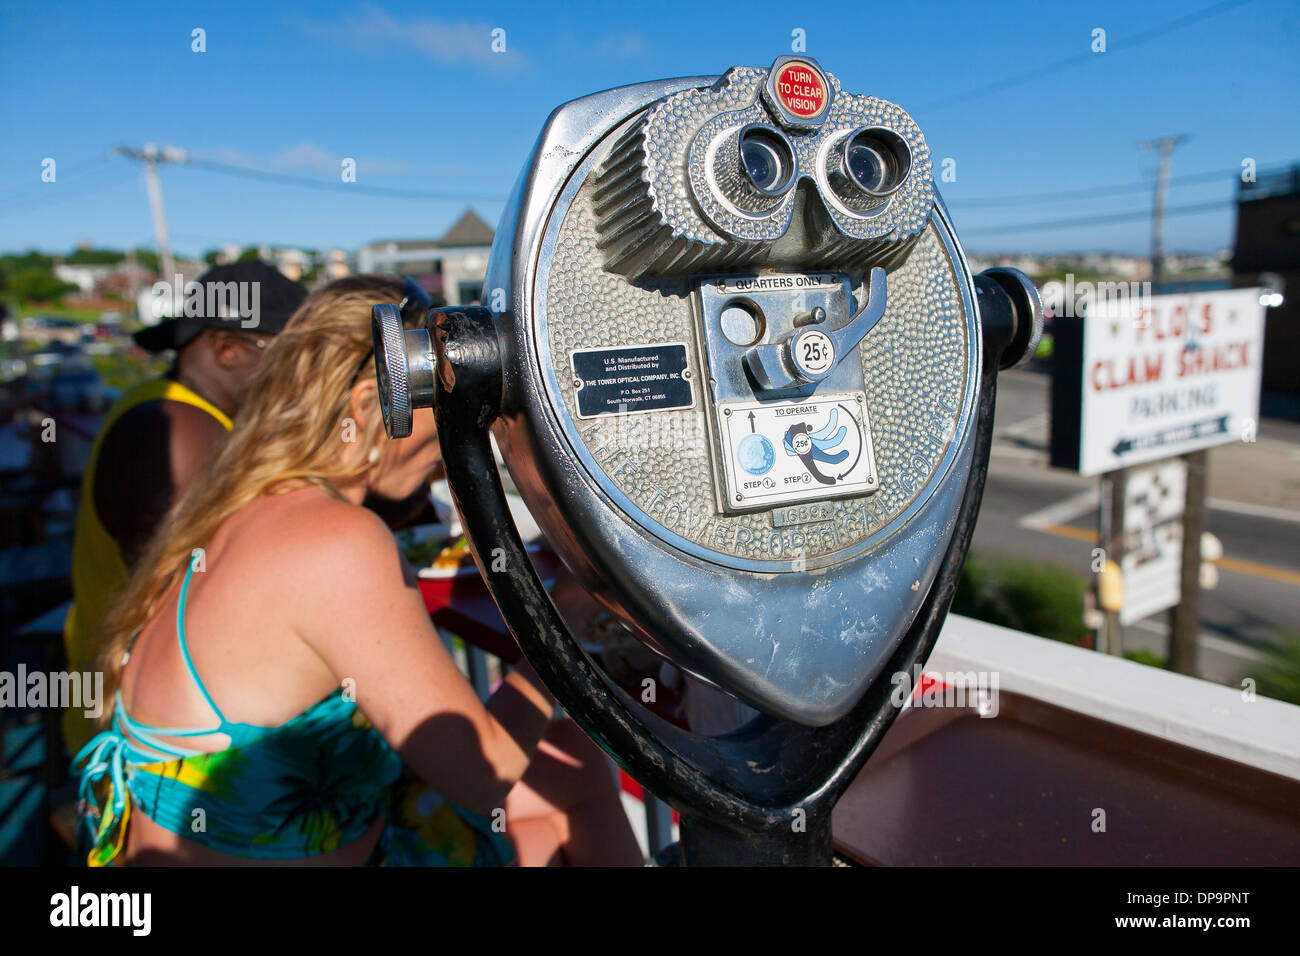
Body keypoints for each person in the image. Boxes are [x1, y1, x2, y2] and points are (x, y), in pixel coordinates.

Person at [72, 275, 642, 867]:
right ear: (373, 405)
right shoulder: (336, 540)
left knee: (570, 773)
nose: (460, 429)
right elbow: (486, 773)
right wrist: (569, 615)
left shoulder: (243, 506)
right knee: (563, 785)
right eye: (445, 400)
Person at [62, 261, 307, 753]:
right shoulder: (180, 433)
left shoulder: (174, 410)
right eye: (292, 357)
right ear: (225, 348)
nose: (302, 377)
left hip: (157, 725)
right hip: (143, 751)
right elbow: (201, 611)